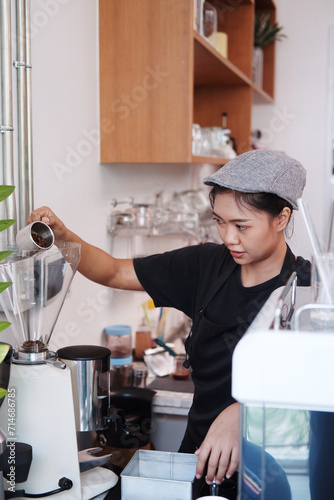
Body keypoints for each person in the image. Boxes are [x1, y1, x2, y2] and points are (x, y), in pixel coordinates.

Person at [28, 149, 311, 496]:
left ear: (281, 218)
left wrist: (244, 411)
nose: (229, 237)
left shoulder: (308, 294)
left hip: (268, 463)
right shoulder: (207, 264)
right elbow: (115, 271)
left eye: (241, 226)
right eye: (220, 221)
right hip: (201, 456)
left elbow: (309, 395)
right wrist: (63, 234)